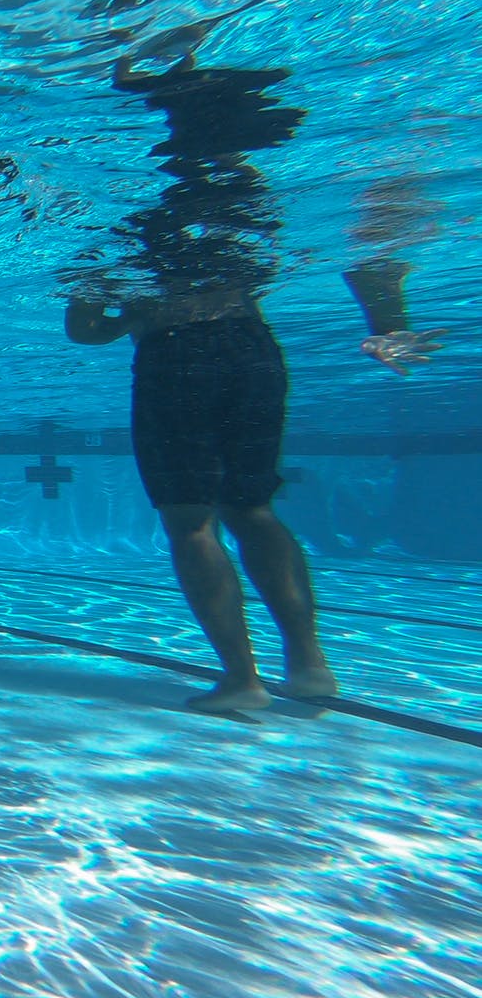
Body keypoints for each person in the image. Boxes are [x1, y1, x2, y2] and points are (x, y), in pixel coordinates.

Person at [65, 54, 445, 713]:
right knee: (253, 508)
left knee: (190, 522)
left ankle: (241, 680)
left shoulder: (141, 223)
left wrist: (135, 312)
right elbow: (363, 259)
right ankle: (310, 666)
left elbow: (83, 327)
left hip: (176, 356)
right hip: (252, 347)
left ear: (171, 147)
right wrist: (389, 327)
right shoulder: (262, 212)